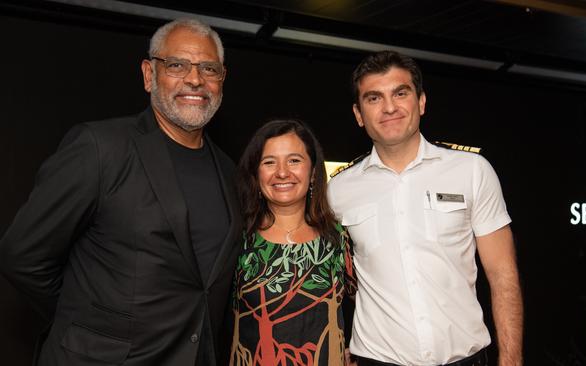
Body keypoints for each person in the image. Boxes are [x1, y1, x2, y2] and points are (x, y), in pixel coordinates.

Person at [0, 18, 241, 365]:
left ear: (221, 79)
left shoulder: (230, 171)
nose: (194, 79)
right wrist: (87, 321)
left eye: (209, 68)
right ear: (148, 74)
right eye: (176, 65)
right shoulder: (100, 148)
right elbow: (22, 255)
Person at [327, 51, 523, 366]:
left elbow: (502, 274)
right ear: (358, 114)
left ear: (421, 102)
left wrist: (511, 360)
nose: (389, 107)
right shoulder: (337, 190)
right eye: (374, 98)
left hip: (466, 359)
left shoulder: (472, 170)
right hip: (376, 360)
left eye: (400, 93)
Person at [230, 119, 356, 366]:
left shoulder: (337, 238)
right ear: (256, 174)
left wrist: (361, 350)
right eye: (269, 162)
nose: (282, 172)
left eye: (294, 160)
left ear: (312, 173)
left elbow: (367, 302)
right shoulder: (237, 237)